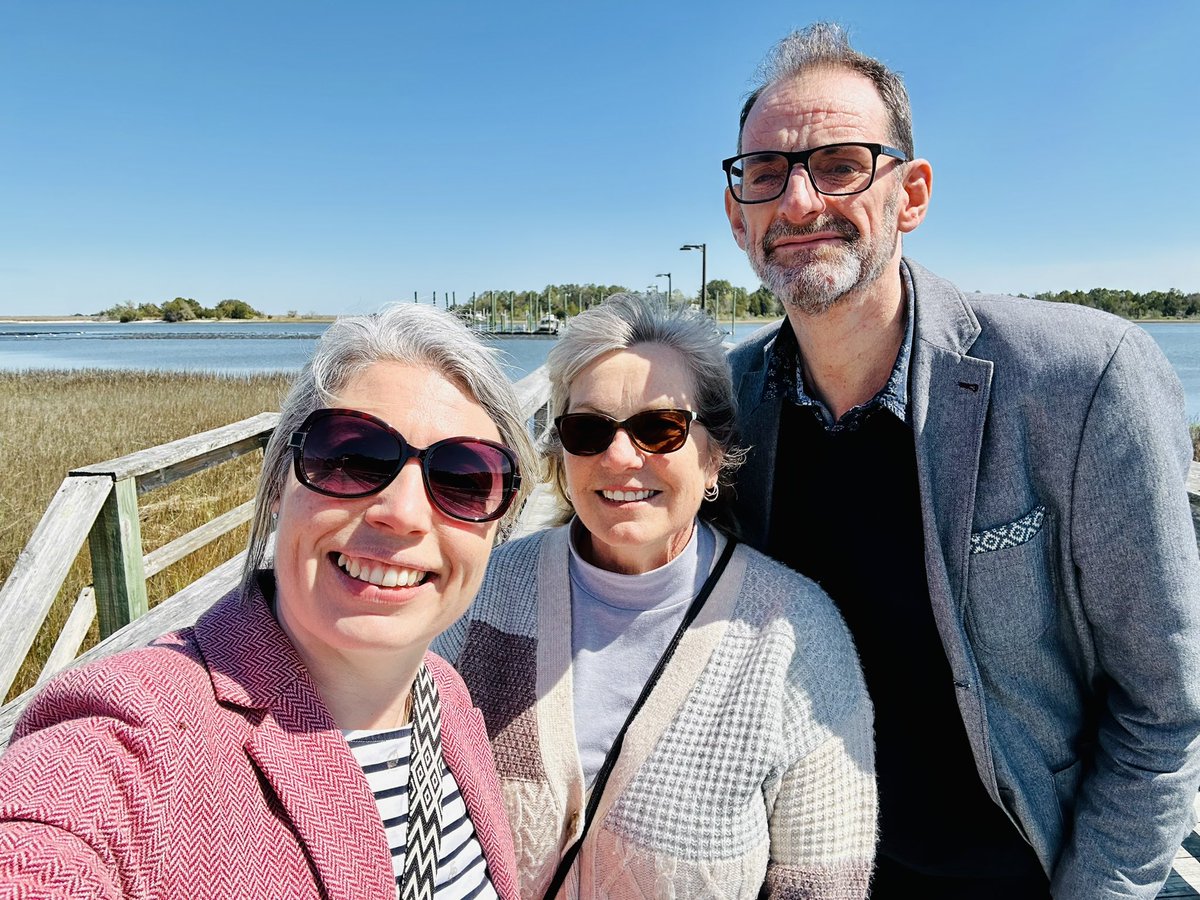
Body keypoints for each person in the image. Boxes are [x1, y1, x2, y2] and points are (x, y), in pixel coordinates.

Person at [722, 22, 1200, 900]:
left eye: (839, 165)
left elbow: (1164, 714)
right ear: (735, 213)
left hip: (1028, 871)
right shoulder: (728, 406)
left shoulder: (1080, 382)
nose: (796, 203)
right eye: (764, 173)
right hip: (806, 871)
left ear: (912, 195)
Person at [0, 304, 537, 899]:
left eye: (464, 479)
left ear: (499, 523)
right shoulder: (137, 732)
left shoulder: (446, 696)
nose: (403, 513)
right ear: (281, 482)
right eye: (353, 458)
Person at [435, 292, 876, 900]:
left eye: (659, 429)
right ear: (562, 454)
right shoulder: (479, 598)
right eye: (587, 430)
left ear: (714, 458)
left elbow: (825, 883)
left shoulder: (793, 638)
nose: (619, 457)